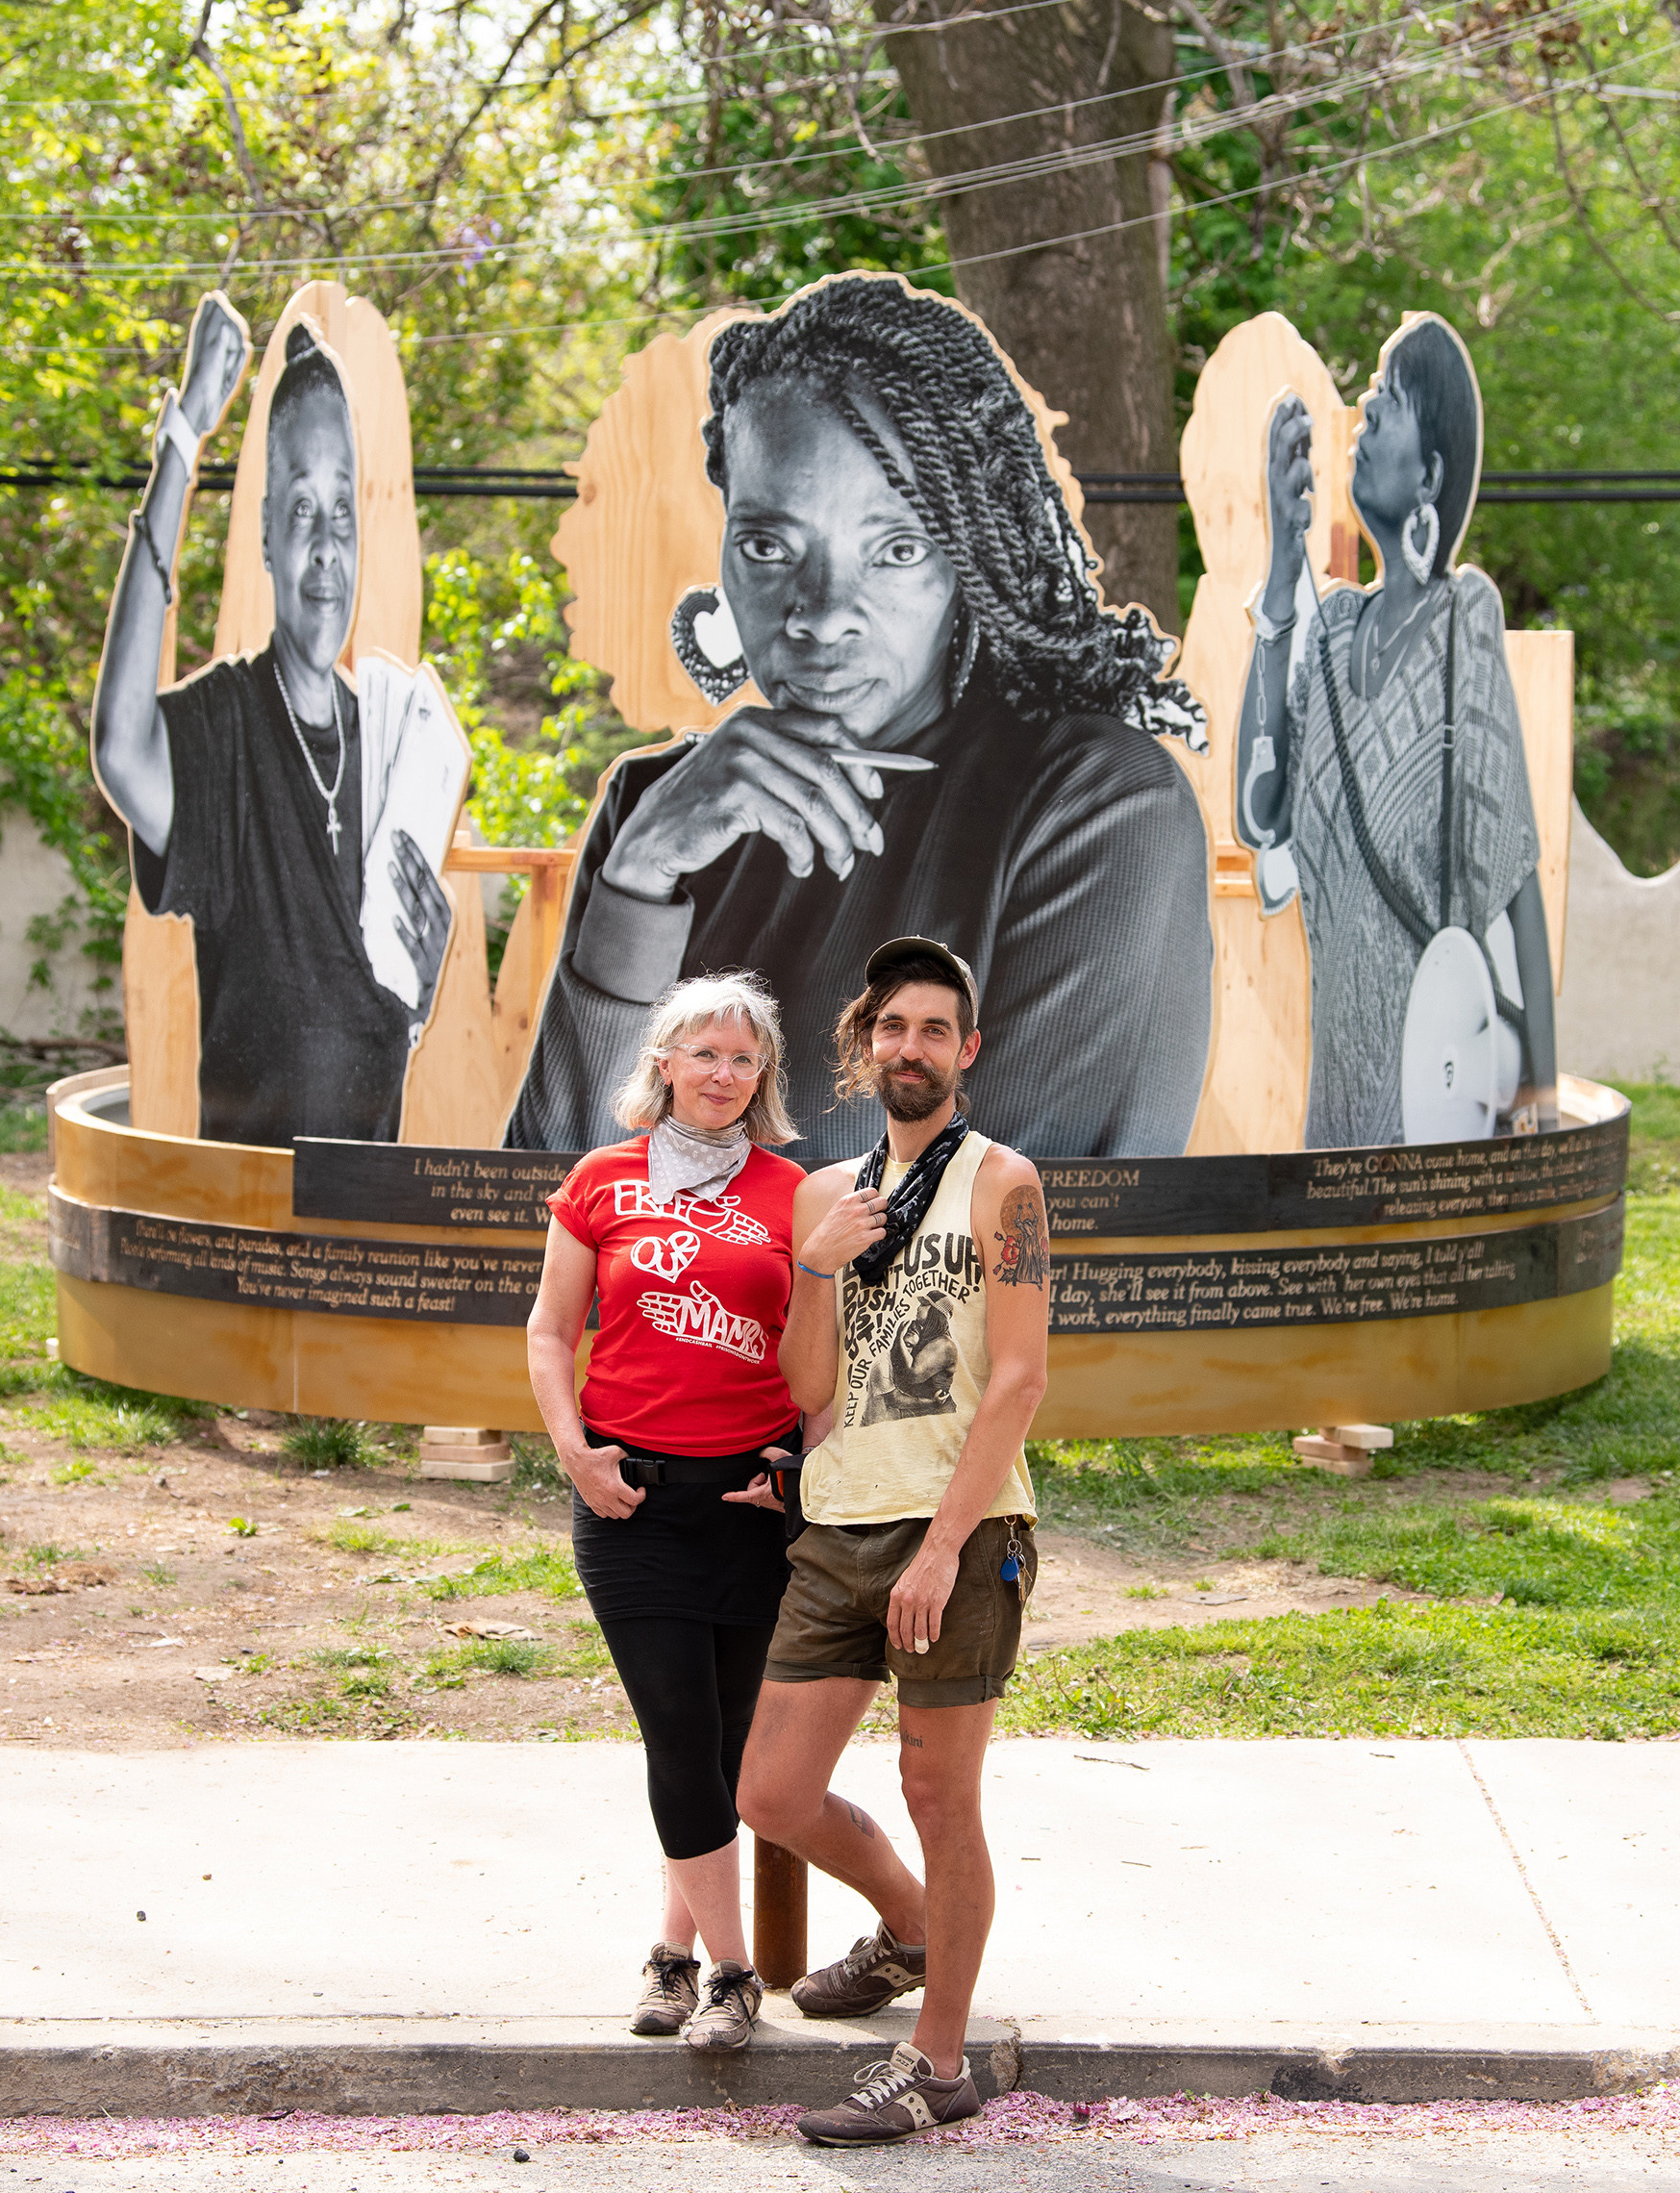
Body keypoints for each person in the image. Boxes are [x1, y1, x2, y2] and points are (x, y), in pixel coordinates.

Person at [506, 271, 1214, 1163]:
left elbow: (996, 1238)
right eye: (769, 546)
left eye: (896, 549)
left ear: (969, 566)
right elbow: (537, 1217)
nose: (822, 612)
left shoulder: (1096, 804)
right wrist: (639, 882)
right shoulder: (656, 812)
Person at [739, 937, 1048, 2146]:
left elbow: (1018, 1382)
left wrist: (941, 1548)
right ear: (863, 1048)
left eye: (934, 1029)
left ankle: (937, 2064)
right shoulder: (825, 1194)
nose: (908, 1048)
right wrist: (815, 1270)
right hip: (842, 1517)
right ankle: (913, 1932)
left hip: (958, 1531)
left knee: (939, 1791)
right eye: (890, 1028)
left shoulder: (1002, 1184)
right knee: (771, 1789)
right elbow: (807, 1383)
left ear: (966, 1052)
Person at [92, 296, 469, 1147]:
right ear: (265, 534)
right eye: (301, 510)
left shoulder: (388, 735)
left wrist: (419, 984)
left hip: (365, 1205)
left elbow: (369, 1014)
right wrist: (183, 442)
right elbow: (119, 748)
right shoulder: (223, 726)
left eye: (343, 513)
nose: (327, 547)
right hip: (248, 1216)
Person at [524, 973, 811, 2053]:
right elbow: (552, 1332)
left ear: (761, 1077)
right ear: (664, 1063)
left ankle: (671, 1957)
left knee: (730, 1750)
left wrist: (803, 1463)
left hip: (749, 1504)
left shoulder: (798, 1193)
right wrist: (573, 1453)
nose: (724, 1075)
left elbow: (828, 1350)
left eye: (744, 1059)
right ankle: (735, 1974)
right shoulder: (603, 1181)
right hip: (631, 1500)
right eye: (705, 1054)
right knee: (678, 1732)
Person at [1235, 314, 1557, 1147]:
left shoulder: (1462, 619)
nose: (1362, 426)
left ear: (1430, 476)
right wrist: (1282, 565)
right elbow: (1258, 811)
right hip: (1338, 1094)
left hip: (1438, 1092)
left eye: (1384, 410)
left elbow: (1514, 880)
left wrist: (1543, 1103)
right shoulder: (1335, 627)